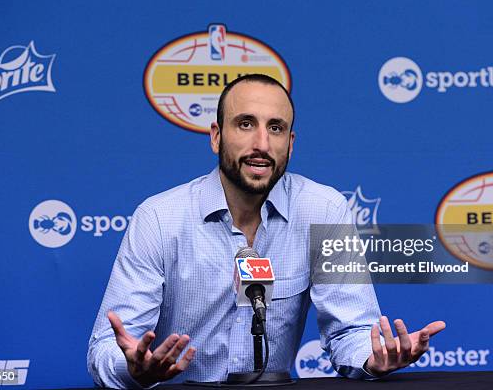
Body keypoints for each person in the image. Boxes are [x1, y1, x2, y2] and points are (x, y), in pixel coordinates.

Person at [87, 74, 445, 388]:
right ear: (216, 137)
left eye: (275, 128)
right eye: (245, 124)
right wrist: (135, 370)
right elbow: (107, 350)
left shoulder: (323, 210)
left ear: (290, 143)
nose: (261, 143)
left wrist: (373, 358)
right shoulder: (159, 219)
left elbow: (350, 333)